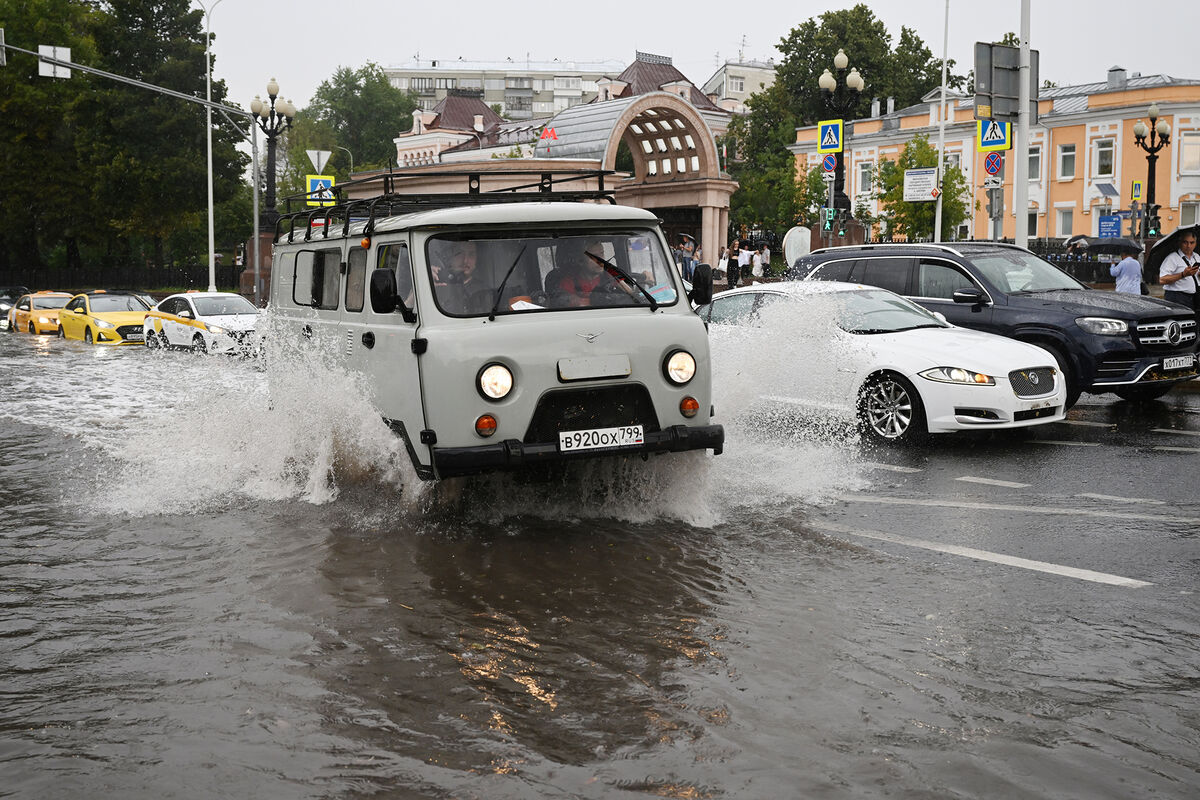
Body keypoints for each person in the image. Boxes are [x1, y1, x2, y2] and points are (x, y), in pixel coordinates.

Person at [1158, 231, 1199, 310]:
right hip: (1176, 297)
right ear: (1179, 243)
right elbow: (1162, 280)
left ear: (1195, 243)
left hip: (1194, 297)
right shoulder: (1172, 258)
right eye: (1185, 242)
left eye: (1192, 242)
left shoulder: (1197, 257)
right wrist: (1183, 274)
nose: (1188, 246)